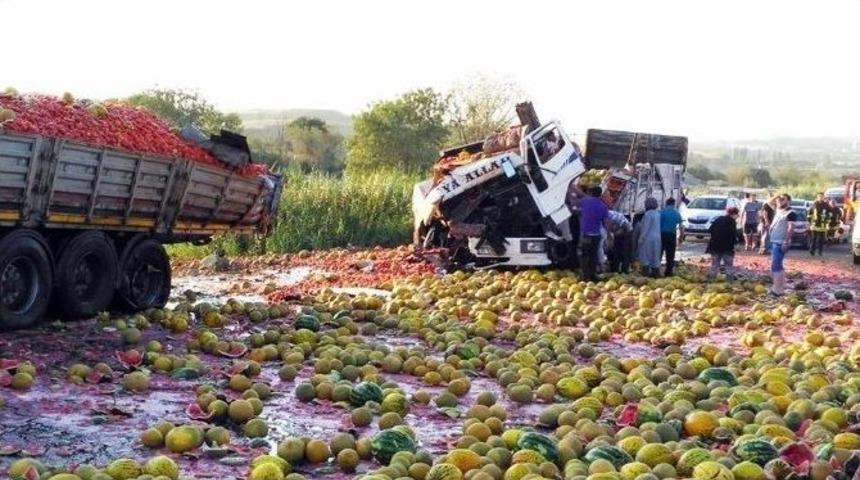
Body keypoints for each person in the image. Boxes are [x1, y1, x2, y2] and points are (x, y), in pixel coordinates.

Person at [570, 184, 610, 282]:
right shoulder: (603, 206)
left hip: (586, 234)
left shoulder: (586, 201)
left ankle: (585, 276)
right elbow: (606, 223)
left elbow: (573, 204)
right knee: (593, 255)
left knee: (583, 255)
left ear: (591, 193)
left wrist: (570, 195)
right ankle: (593, 275)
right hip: (596, 235)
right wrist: (609, 235)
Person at [768, 193, 796, 296]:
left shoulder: (790, 213)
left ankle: (777, 289)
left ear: (788, 201)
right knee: (776, 265)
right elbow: (769, 202)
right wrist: (777, 196)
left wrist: (786, 240)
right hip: (774, 241)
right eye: (778, 200)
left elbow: (791, 228)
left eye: (783, 199)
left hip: (780, 242)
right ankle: (779, 287)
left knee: (776, 265)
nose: (779, 201)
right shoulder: (778, 210)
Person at [706, 207, 740, 282]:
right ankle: (729, 281)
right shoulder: (732, 222)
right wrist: (736, 245)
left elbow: (710, 230)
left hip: (715, 246)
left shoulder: (718, 219)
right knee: (728, 265)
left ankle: (711, 281)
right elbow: (733, 235)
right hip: (727, 248)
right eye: (737, 214)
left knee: (714, 265)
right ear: (733, 214)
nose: (738, 216)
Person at [659, 198, 684, 276]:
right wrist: (681, 237)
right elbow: (681, 227)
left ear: (666, 203)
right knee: (670, 255)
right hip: (671, 235)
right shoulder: (677, 213)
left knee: (659, 253)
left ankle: (656, 271)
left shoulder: (661, 212)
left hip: (662, 235)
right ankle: (668, 272)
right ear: (674, 204)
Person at [637, 197, 662, 277]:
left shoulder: (648, 214)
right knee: (655, 255)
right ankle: (656, 273)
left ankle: (646, 274)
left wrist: (641, 239)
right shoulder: (657, 213)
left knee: (645, 256)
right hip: (657, 238)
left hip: (648, 238)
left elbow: (645, 228)